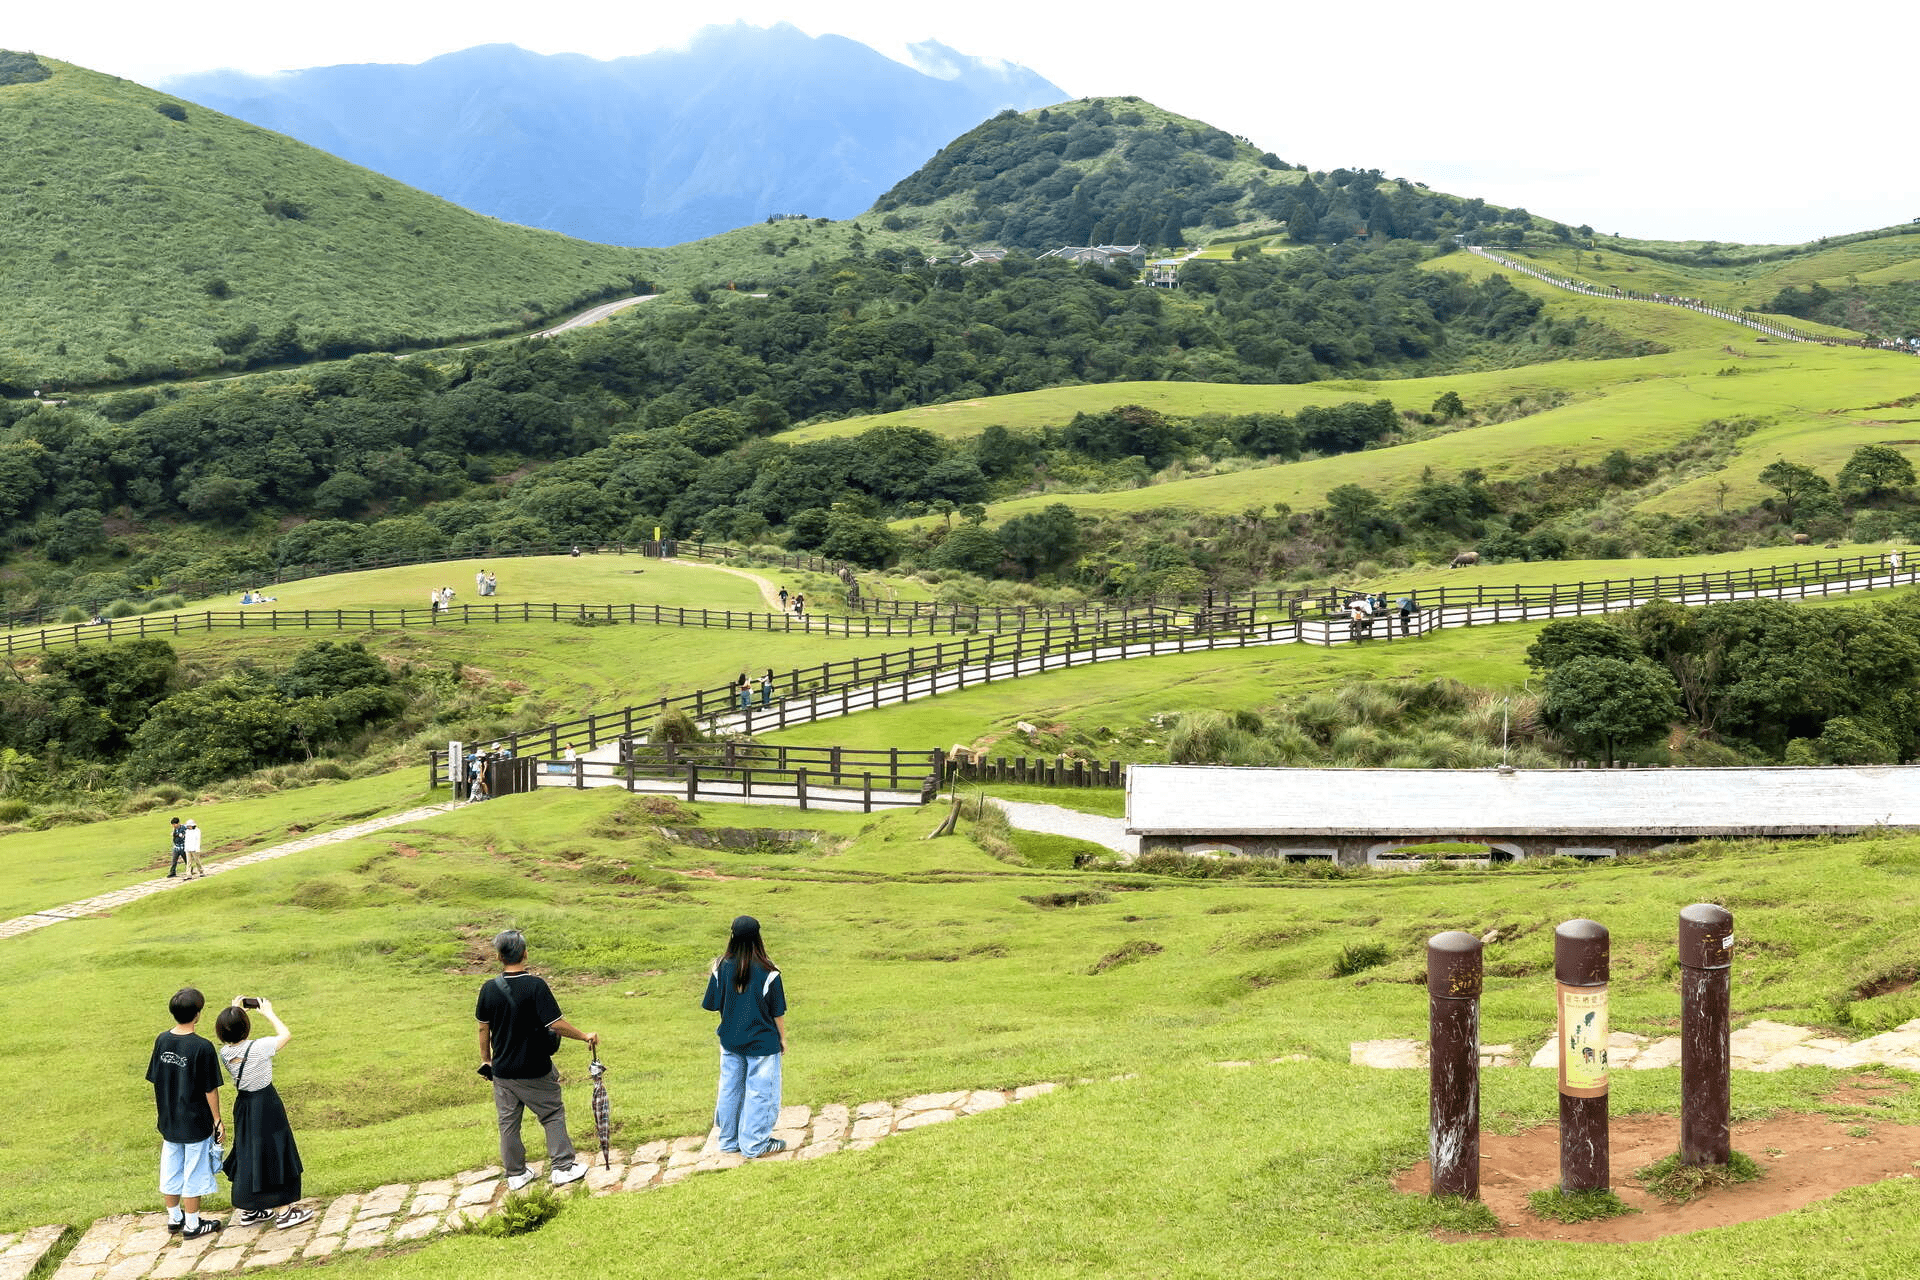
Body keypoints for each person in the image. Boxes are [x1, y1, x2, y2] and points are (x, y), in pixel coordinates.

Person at [474, 930, 596, 1190]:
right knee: (551, 1114)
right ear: (525, 953)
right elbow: (556, 1024)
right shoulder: (535, 985)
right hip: (535, 1068)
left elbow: (483, 1028)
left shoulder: (488, 988)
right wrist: (585, 1036)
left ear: (498, 956)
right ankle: (563, 1167)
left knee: (508, 1123)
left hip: (503, 1071)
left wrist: (487, 1060)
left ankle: (516, 1175)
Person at [214, 999, 312, 1230]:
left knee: (249, 1152)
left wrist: (234, 1011)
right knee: (273, 1151)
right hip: (266, 1103)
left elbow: (234, 1034)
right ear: (246, 1027)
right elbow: (285, 1034)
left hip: (244, 1105)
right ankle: (284, 1211)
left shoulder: (225, 1052)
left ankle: (251, 1209)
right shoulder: (260, 1047)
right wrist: (268, 1013)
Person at [703, 916, 789, 1159]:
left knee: (730, 1088)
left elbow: (713, 1004)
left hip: (730, 1040)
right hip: (762, 1042)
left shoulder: (720, 966)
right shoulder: (769, 971)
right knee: (760, 1091)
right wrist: (782, 1039)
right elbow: (777, 1012)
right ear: (758, 938)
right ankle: (755, 1144)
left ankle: (729, 1140)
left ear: (731, 936)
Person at [146, 987, 225, 1240]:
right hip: (195, 1122)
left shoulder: (162, 1040)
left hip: (169, 1120)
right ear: (198, 1014)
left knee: (170, 1168)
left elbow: (156, 1078)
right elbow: (209, 1088)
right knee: (194, 1170)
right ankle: (192, 1224)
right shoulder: (202, 1047)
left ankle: (174, 1217)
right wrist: (217, 1120)